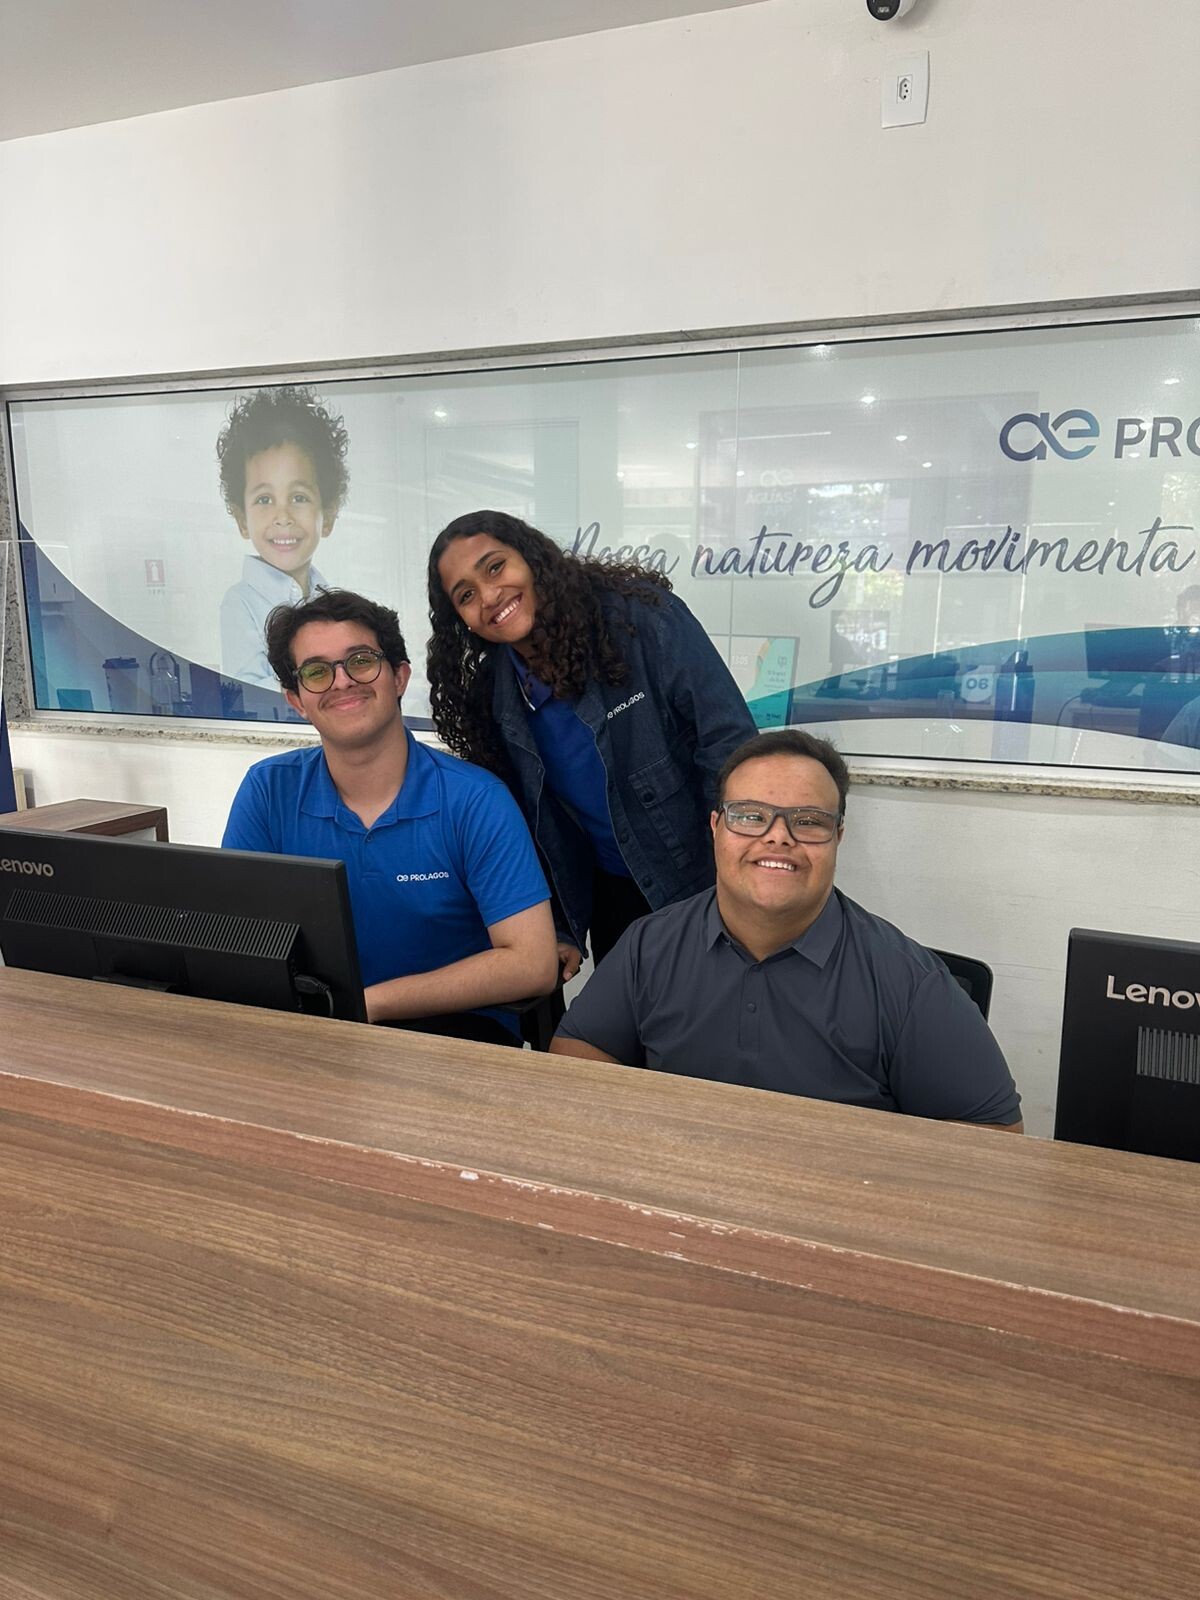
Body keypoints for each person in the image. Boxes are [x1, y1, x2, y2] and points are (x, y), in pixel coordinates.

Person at [551, 728, 1023, 1130]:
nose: (778, 836)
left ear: (837, 838)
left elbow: (996, 1134)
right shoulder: (650, 944)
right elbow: (576, 1053)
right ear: (716, 828)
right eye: (750, 816)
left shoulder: (908, 981)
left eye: (808, 821)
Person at [427, 510, 758, 979]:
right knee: (632, 1022)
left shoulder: (642, 621)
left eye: (495, 567)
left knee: (715, 1017)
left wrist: (738, 880)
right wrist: (558, 926)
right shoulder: (493, 693)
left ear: (533, 559)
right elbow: (528, 823)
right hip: (612, 898)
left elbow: (731, 746)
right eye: (465, 595)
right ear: (461, 621)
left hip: (703, 882)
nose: (489, 596)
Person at [222, 589, 558, 1045]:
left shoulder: (476, 800)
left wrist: (370, 1004)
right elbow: (238, 943)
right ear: (296, 700)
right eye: (317, 672)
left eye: (360, 661)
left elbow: (533, 964)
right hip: (313, 1032)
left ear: (399, 677)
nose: (342, 682)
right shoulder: (267, 791)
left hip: (456, 1038)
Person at [217, 387, 347, 689]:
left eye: (299, 497)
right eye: (264, 500)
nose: (283, 516)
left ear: (327, 515)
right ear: (242, 519)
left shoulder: (330, 598)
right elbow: (248, 688)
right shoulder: (240, 603)